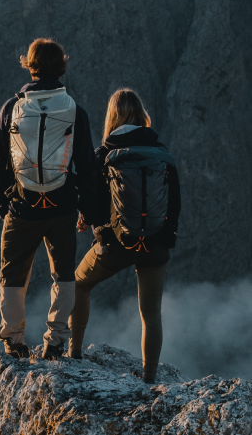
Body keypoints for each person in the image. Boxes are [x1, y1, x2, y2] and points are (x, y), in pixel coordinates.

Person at [0, 38, 98, 360]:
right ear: (61, 65)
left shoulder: (12, 107)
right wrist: (88, 209)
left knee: (12, 273)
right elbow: (86, 165)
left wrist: (4, 201)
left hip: (22, 205)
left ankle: (14, 339)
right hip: (62, 205)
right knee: (63, 273)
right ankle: (55, 340)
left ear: (30, 64)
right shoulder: (74, 110)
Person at [68, 88, 181, 384]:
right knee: (151, 313)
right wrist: (162, 241)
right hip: (155, 246)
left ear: (112, 117)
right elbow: (174, 204)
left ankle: (74, 353)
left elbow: (92, 203)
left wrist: (88, 223)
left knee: (78, 284)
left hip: (116, 245)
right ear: (142, 115)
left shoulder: (104, 155)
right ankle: (149, 378)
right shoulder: (162, 154)